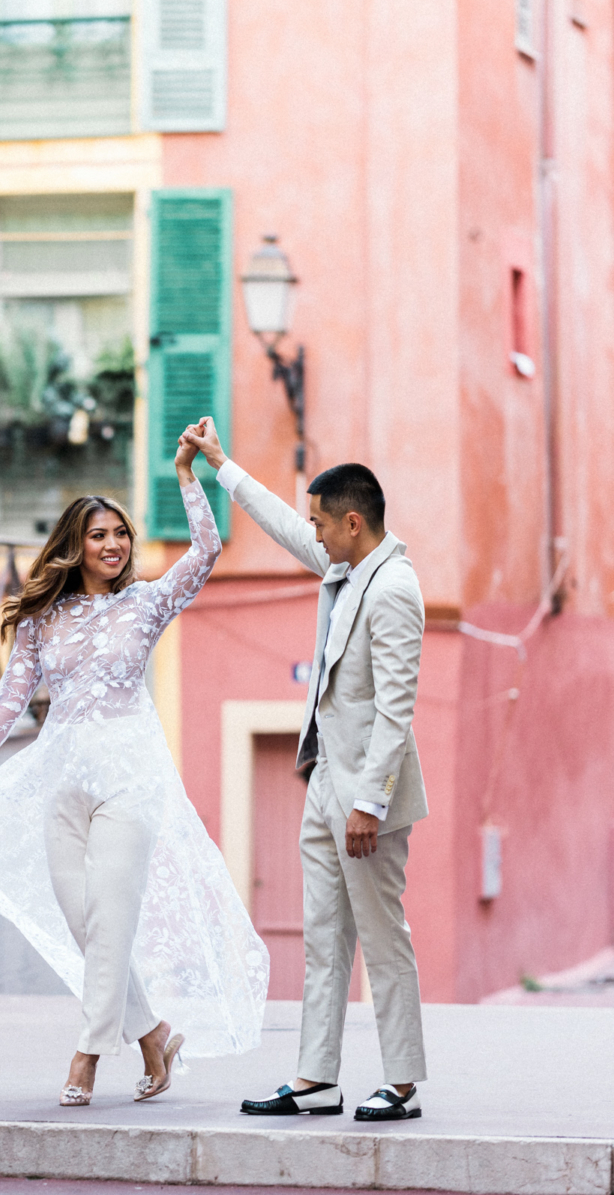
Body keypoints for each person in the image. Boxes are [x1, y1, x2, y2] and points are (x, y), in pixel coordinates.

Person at [0, 429, 268, 1106]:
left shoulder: (146, 603)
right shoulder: (43, 618)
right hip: (62, 777)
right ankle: (153, 1035)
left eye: (120, 533)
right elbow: (10, 698)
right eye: (99, 535)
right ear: (74, 545)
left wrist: (188, 472)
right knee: (86, 921)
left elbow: (206, 551)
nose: (114, 544)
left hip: (130, 774)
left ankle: (88, 1053)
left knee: (112, 918)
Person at [183, 417, 427, 1123]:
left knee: (384, 941)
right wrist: (222, 465)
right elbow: (285, 526)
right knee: (323, 941)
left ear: (354, 522)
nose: (312, 533)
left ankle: (403, 1082)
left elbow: (396, 710)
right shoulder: (346, 566)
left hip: (365, 801)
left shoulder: (394, 589)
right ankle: (317, 1078)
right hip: (324, 785)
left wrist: (370, 805)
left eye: (323, 523)